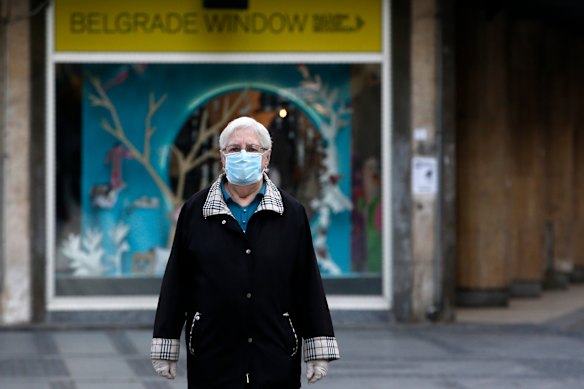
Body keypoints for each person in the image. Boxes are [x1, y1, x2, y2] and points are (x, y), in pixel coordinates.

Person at [151, 116, 340, 388]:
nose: (243, 155)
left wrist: (318, 350)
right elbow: (176, 283)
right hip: (211, 356)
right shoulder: (195, 211)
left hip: (275, 354)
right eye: (234, 148)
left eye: (252, 149)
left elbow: (307, 282)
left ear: (267, 157)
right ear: (222, 157)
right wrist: (166, 347)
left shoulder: (291, 213)